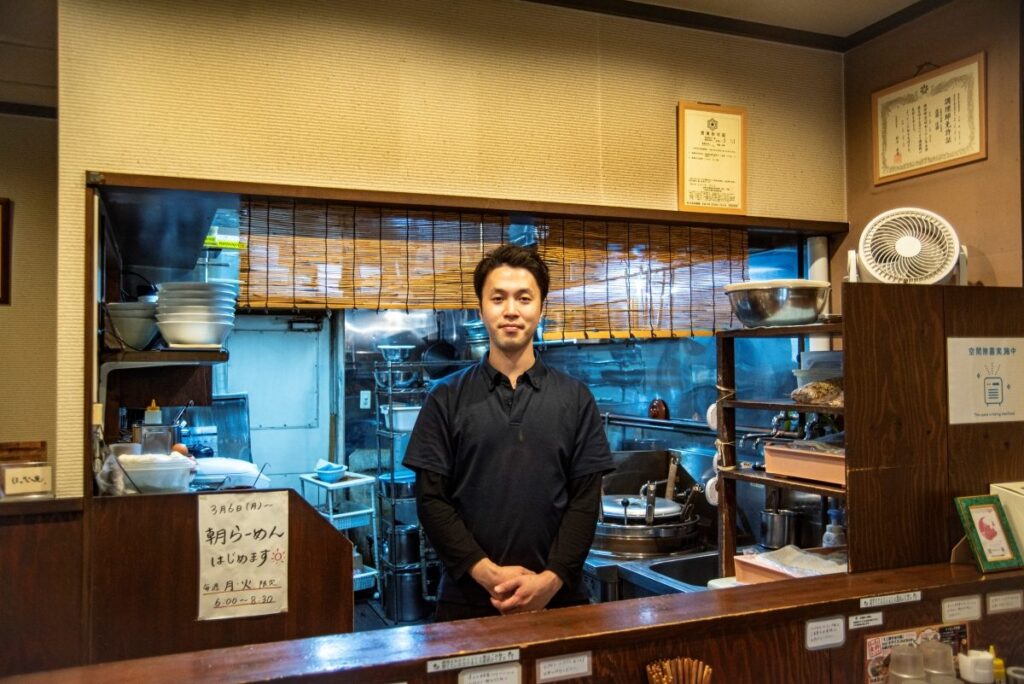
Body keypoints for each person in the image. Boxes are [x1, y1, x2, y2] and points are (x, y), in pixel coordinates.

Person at [402, 244, 613, 621]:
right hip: (466, 601)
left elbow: (585, 501)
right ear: (481, 308)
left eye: (524, 298)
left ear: (542, 307)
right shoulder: (445, 397)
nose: (511, 310)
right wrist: (487, 574)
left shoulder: (576, 397)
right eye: (498, 298)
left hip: (559, 599)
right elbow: (432, 500)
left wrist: (549, 580)